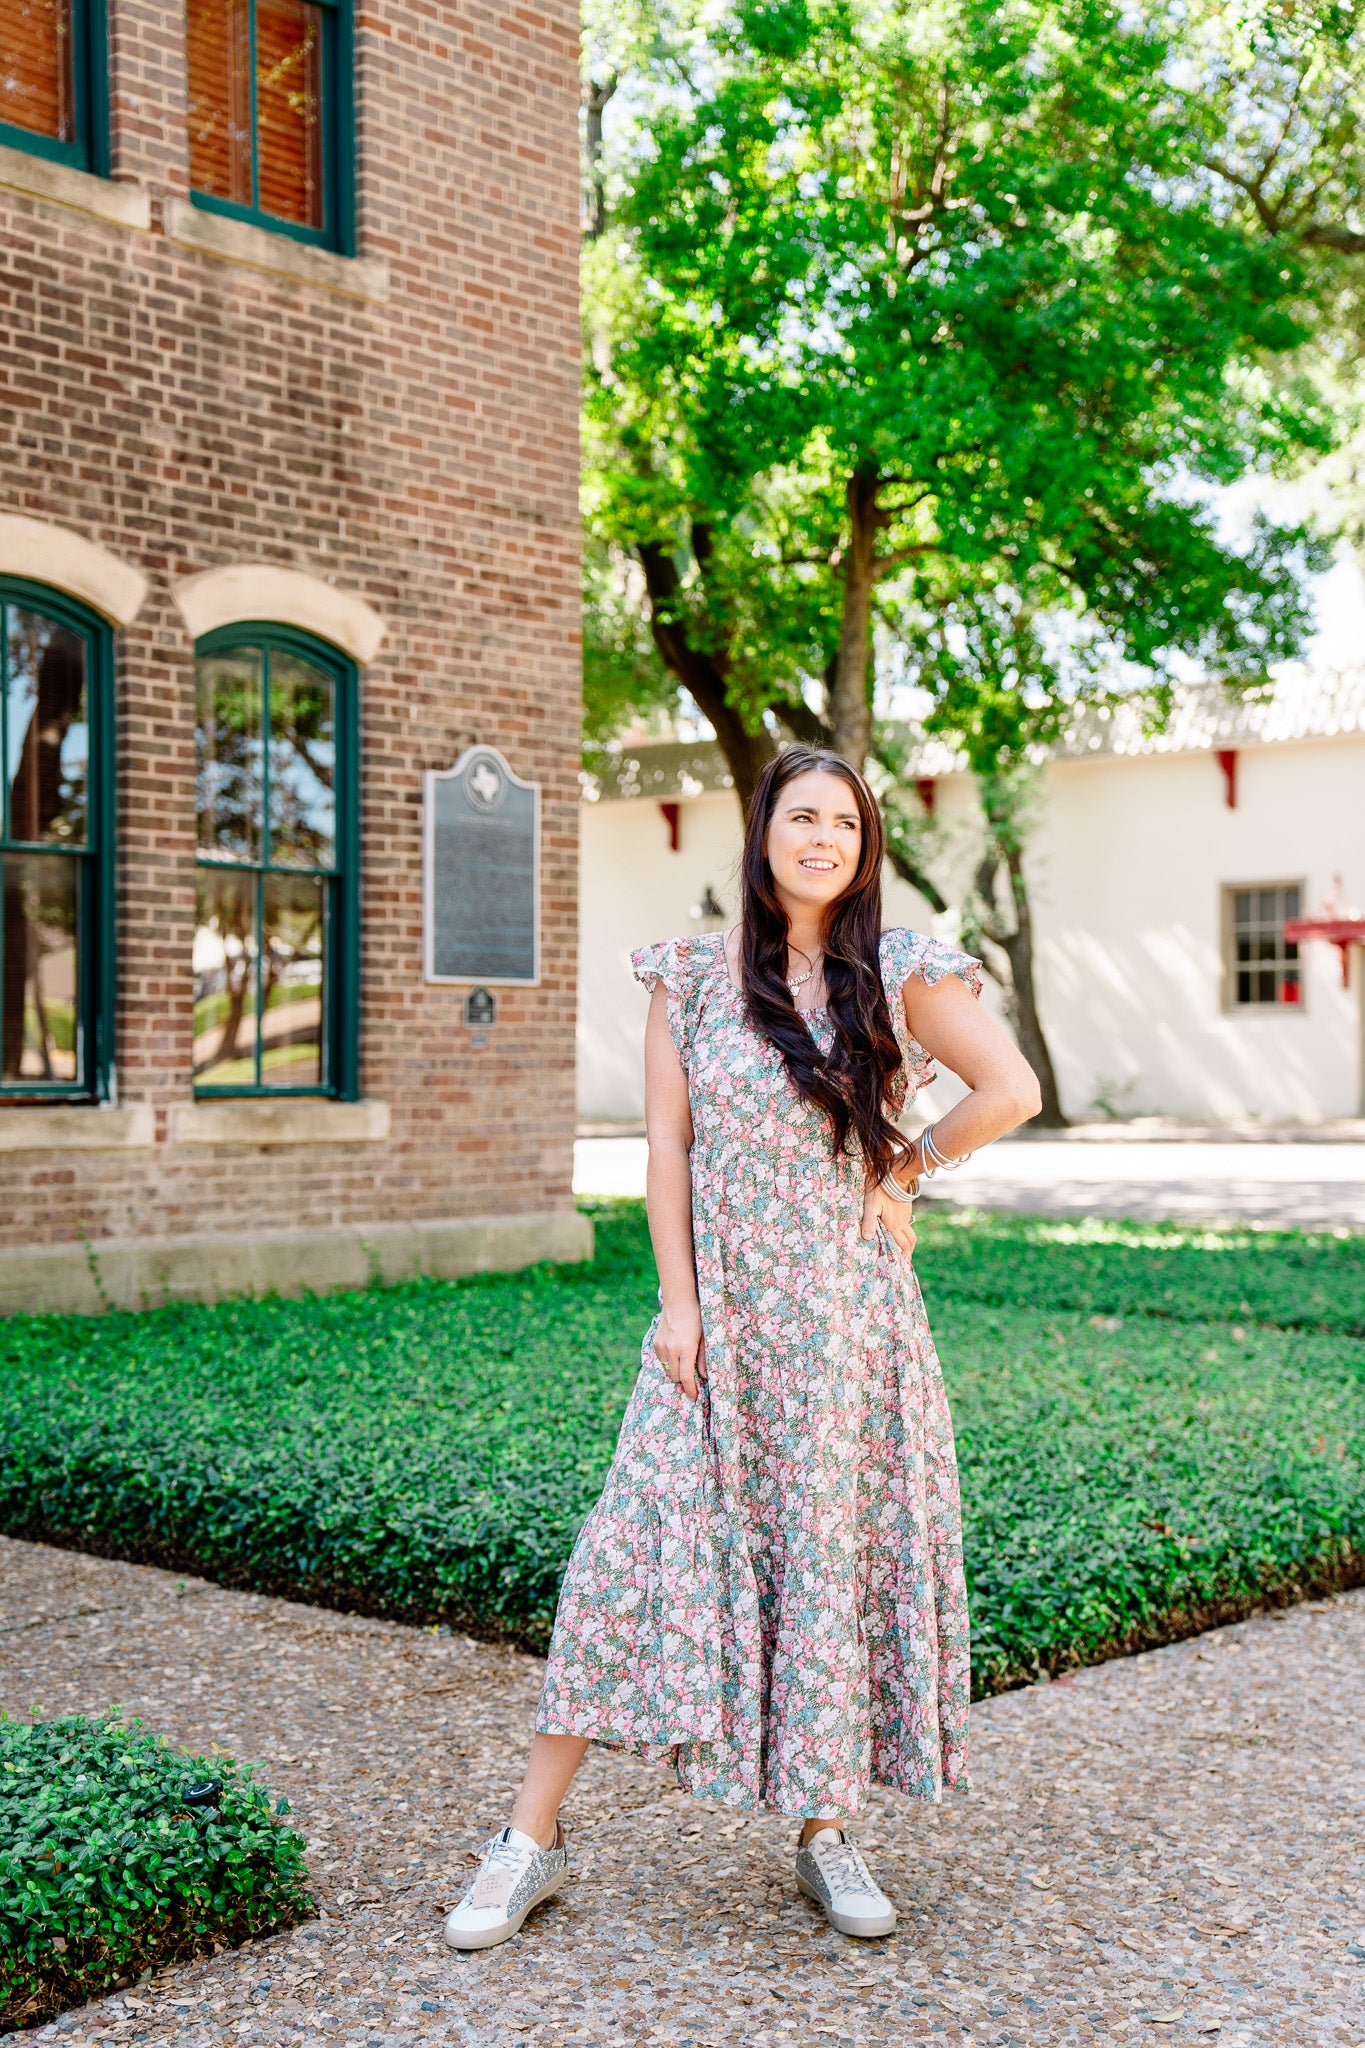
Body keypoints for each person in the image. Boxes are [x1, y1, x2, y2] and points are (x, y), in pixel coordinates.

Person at [443, 746, 1041, 1951]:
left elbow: (1010, 1085)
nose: (825, 837)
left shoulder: (900, 967)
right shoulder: (693, 975)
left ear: (866, 845)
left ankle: (825, 1832)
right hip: (714, 1324)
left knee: (825, 1558)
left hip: (845, 1328)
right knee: (623, 1557)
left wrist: (905, 1165)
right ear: (763, 828)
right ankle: (529, 1839)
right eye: (803, 814)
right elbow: (665, 1147)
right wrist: (679, 1302)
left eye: (848, 822)